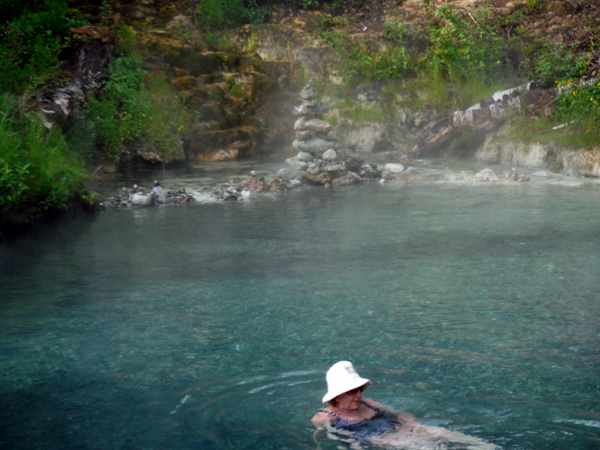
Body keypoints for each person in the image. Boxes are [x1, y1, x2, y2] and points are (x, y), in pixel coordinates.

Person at [311, 361, 500, 450]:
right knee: (429, 447)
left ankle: (490, 447)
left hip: (406, 428)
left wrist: (415, 425)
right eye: (352, 390)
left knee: (445, 435)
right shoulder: (327, 417)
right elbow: (320, 435)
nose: (359, 394)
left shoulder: (370, 404)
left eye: (360, 388)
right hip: (383, 438)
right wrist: (318, 443)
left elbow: (398, 414)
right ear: (337, 396)